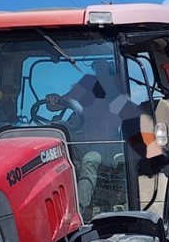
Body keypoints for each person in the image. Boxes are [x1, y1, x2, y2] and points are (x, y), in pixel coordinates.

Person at [46, 59, 124, 218]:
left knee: (105, 160)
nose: (100, 74)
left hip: (113, 149)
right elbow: (56, 105)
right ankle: (68, 213)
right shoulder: (85, 88)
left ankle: (81, 213)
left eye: (104, 71)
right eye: (98, 70)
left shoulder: (117, 92)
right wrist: (54, 100)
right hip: (88, 146)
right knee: (80, 159)